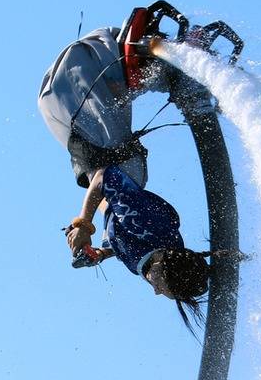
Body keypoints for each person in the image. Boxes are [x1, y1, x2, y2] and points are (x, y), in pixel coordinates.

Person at [38, 25, 211, 328]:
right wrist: (83, 225)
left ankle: (155, 64)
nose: (157, 292)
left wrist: (101, 254)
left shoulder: (142, 261)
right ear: (165, 267)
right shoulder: (151, 229)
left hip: (85, 128)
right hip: (93, 108)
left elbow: (123, 235)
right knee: (79, 111)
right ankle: (172, 56)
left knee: (78, 141)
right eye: (165, 288)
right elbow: (105, 178)